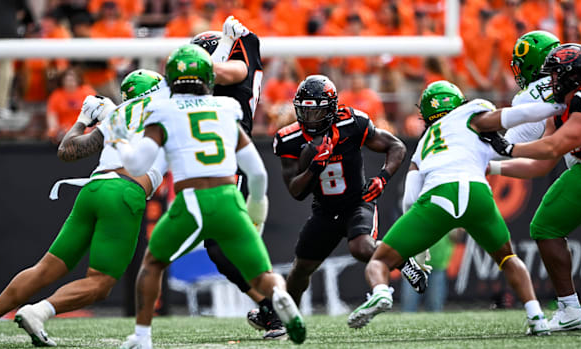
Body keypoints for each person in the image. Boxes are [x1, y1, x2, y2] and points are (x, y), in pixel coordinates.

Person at [115, 44, 306, 348]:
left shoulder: (162, 110)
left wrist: (120, 140)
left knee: (152, 264)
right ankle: (281, 297)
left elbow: (137, 164)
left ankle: (142, 337)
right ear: (209, 76)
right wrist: (256, 206)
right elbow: (257, 173)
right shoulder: (225, 109)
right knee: (263, 275)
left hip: (191, 201)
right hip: (229, 199)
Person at [348, 80, 559, 335]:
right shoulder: (471, 113)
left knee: (379, 261)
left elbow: (410, 199)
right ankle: (536, 316)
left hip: (438, 197)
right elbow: (516, 115)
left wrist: (416, 240)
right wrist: (556, 107)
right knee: (507, 258)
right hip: (477, 193)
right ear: (456, 100)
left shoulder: (424, 143)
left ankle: (381, 292)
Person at [0, 69, 167, 347]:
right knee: (100, 283)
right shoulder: (168, 107)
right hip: (125, 191)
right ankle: (38, 312)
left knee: (44, 269)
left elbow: (68, 150)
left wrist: (83, 120)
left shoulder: (118, 114)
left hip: (93, 188)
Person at [482, 43, 581, 332]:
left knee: (546, 227)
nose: (550, 82)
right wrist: (492, 166)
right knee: (545, 227)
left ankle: (570, 309)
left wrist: (509, 147)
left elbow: (557, 145)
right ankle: (570, 310)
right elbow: (539, 165)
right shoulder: (562, 107)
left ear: (571, 75)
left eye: (554, 75)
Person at [272, 74, 412, 307]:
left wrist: (383, 178)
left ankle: (401, 259)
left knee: (361, 247)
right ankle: (286, 320)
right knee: (300, 269)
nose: (310, 118)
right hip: (324, 210)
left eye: (316, 111)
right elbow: (296, 191)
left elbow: (396, 146)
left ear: (331, 109)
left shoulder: (351, 123)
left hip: (357, 201)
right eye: (305, 111)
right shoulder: (289, 139)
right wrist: (314, 167)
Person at [191, 18, 289, 339]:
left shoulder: (239, 62)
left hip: (231, 159)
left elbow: (215, 72)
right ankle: (272, 306)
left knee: (223, 246)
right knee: (222, 248)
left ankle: (275, 308)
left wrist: (215, 49)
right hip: (215, 161)